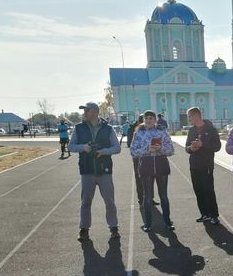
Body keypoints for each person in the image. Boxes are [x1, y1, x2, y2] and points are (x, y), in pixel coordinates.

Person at [68, 102, 122, 242]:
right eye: (84, 111)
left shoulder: (108, 129)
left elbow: (117, 148)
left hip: (104, 170)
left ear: (95, 112)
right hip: (87, 171)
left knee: (110, 202)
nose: (84, 113)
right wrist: (83, 147)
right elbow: (70, 146)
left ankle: (114, 228)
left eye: (87, 110)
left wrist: (104, 151)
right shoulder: (78, 128)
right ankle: (84, 229)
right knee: (85, 202)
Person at [130, 110, 175, 232]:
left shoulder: (162, 131)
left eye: (151, 118)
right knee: (148, 197)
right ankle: (148, 223)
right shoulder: (138, 133)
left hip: (161, 166)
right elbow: (133, 151)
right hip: (146, 167)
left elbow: (171, 150)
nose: (148, 120)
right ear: (144, 120)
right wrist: (146, 150)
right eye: (146, 118)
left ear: (155, 120)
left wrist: (161, 148)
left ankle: (167, 222)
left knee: (163, 196)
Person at [185, 106, 221, 225]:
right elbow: (186, 147)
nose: (189, 119)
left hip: (206, 165)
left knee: (208, 190)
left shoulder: (211, 129)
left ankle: (214, 215)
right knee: (198, 191)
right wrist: (191, 148)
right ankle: (204, 214)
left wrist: (202, 144)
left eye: (190, 116)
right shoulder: (192, 130)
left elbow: (217, 147)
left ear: (196, 115)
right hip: (194, 165)